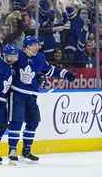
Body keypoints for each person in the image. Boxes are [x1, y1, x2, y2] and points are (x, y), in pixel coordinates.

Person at [7, 35, 75, 164]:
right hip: (17, 94)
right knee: (16, 122)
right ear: (27, 46)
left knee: (33, 122)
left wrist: (65, 74)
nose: (38, 46)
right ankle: (12, 150)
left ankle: (26, 150)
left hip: (31, 95)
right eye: (35, 44)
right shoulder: (18, 55)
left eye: (38, 44)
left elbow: (49, 70)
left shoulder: (40, 57)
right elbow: (7, 64)